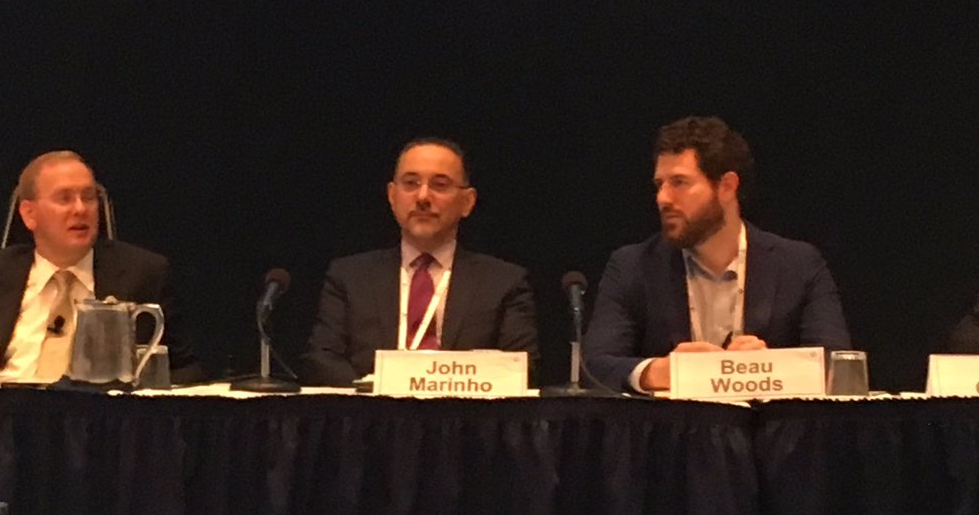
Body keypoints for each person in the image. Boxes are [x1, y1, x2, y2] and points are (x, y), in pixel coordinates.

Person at [585, 117, 851, 393]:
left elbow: (838, 363)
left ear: (727, 186)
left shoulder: (798, 264)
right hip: (674, 421)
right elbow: (594, 366)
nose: (662, 198)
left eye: (679, 182)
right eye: (659, 184)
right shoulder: (632, 266)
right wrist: (657, 371)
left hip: (767, 421)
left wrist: (769, 367)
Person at [0, 151, 202, 383]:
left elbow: (184, 371)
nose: (80, 209)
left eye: (89, 197)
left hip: (95, 420)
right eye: (64, 198)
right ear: (29, 214)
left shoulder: (142, 274)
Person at [301, 138, 538, 386]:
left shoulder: (504, 282)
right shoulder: (350, 276)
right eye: (410, 184)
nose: (423, 197)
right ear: (392, 196)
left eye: (440, 185)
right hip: (370, 409)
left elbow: (520, 369)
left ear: (467, 202)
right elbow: (321, 359)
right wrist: (379, 392)